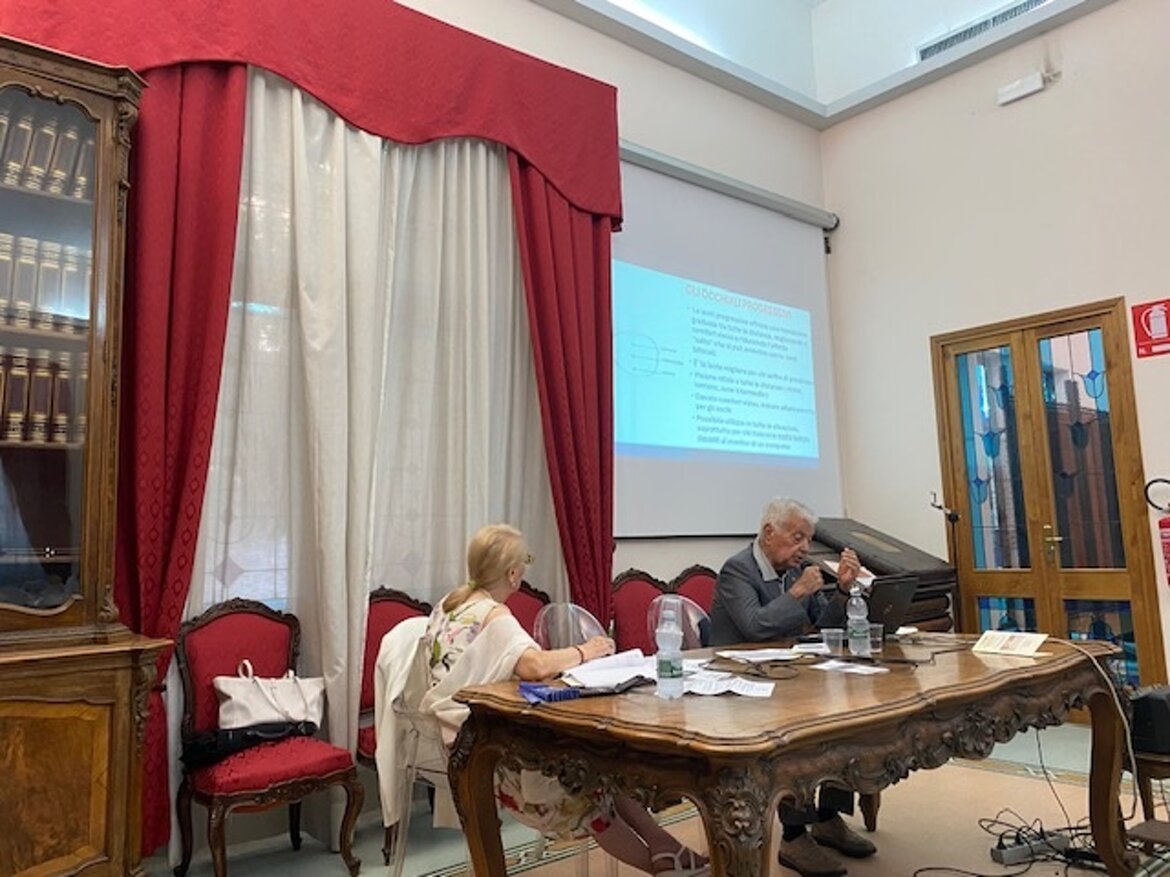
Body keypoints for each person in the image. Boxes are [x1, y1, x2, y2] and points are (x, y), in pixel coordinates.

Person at [421, 524, 709, 877]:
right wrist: (586, 650)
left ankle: (667, 850)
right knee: (587, 786)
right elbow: (534, 666)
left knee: (603, 772)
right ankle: (668, 869)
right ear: (513, 574)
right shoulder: (494, 616)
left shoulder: (448, 605)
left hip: (463, 745)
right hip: (496, 756)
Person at [708, 498, 877, 877]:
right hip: (738, 682)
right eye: (797, 537)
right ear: (769, 533)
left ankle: (827, 818)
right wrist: (798, 592)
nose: (804, 547)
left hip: (785, 674)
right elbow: (753, 626)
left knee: (842, 714)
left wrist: (842, 591)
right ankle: (795, 836)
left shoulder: (795, 570)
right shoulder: (738, 570)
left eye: (808, 539)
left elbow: (821, 629)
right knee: (797, 733)